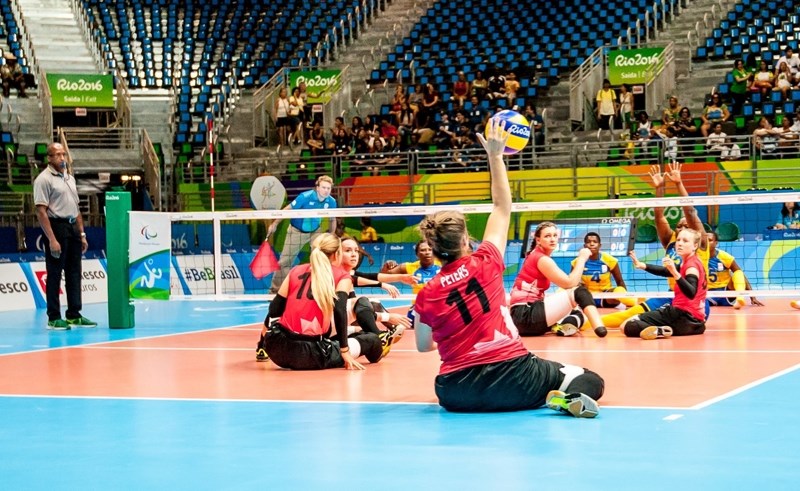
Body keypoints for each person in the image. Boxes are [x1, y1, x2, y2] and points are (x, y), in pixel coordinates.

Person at [413, 117, 605, 417]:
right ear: (466, 240)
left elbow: (424, 347)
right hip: (517, 378)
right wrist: (495, 156)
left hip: (456, 391)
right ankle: (565, 399)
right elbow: (502, 207)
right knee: (590, 379)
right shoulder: (486, 261)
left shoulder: (428, 293)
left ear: (433, 249)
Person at [602, 163, 711, 328]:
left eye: (686, 226)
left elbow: (690, 212)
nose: (682, 230)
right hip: (671, 297)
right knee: (628, 317)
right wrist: (659, 188)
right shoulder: (670, 241)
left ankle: (662, 327)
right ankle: (584, 323)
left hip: (694, 302)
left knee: (643, 321)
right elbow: (658, 216)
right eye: (679, 227)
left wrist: (678, 184)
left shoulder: (700, 242)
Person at [255, 233, 384, 370]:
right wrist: (344, 352)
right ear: (337, 254)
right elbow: (339, 311)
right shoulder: (342, 276)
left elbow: (275, 309)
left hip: (277, 350)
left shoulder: (295, 270)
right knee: (372, 340)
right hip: (312, 355)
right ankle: (380, 348)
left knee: (345, 334)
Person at [33, 143, 97, 329]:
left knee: (74, 272)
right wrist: (52, 239)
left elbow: (76, 209)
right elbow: (41, 212)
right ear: (49, 158)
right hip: (57, 227)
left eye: (64, 154)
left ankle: (74, 314)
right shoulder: (43, 180)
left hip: (72, 228)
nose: (62, 158)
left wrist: (82, 233)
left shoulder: (70, 178)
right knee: (54, 273)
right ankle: (54, 317)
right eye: (58, 155)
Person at [510, 222, 608, 338]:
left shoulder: (535, 255)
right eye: (547, 236)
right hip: (526, 315)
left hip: (523, 318)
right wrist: (582, 258)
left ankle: (562, 326)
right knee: (580, 292)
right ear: (538, 240)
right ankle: (600, 329)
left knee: (577, 311)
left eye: (555, 235)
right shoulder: (541, 259)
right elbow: (570, 283)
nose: (552, 239)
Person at [622, 228, 707, 340]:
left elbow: (691, 292)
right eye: (678, 240)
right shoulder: (691, 262)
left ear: (695, 246)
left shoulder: (691, 266)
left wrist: (675, 273)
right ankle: (663, 329)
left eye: (685, 241)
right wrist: (642, 265)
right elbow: (665, 271)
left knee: (626, 325)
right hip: (697, 324)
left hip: (680, 315)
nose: (680, 243)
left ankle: (660, 330)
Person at [268, 175, 337, 293]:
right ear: (317, 187)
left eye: (328, 188)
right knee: (284, 262)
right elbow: (287, 210)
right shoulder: (305, 197)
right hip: (296, 231)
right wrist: (274, 224)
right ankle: (275, 290)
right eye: (324, 187)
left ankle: (321, 289)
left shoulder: (331, 201)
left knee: (321, 258)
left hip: (315, 231)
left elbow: (332, 219)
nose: (326, 191)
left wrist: (332, 234)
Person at [381, 239, 442, 324]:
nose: (427, 252)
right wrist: (386, 266)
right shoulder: (408, 267)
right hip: (419, 307)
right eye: (423, 250)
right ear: (417, 254)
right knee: (408, 323)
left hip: (440, 305)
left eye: (430, 249)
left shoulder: (443, 264)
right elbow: (382, 276)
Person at [570, 232, 637, 309]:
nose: (592, 244)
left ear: (600, 245)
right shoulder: (577, 262)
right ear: (584, 246)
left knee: (619, 290)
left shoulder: (609, 260)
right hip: (585, 297)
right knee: (562, 290)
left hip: (606, 297)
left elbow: (620, 281)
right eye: (588, 242)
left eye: (595, 242)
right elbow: (572, 283)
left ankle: (633, 302)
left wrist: (625, 298)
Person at [706, 231, 763, 309]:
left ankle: (740, 297)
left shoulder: (724, 256)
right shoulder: (697, 257)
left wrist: (752, 297)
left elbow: (741, 275)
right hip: (709, 293)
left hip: (727, 292)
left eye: (709, 240)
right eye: (704, 240)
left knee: (738, 272)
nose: (706, 242)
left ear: (716, 243)